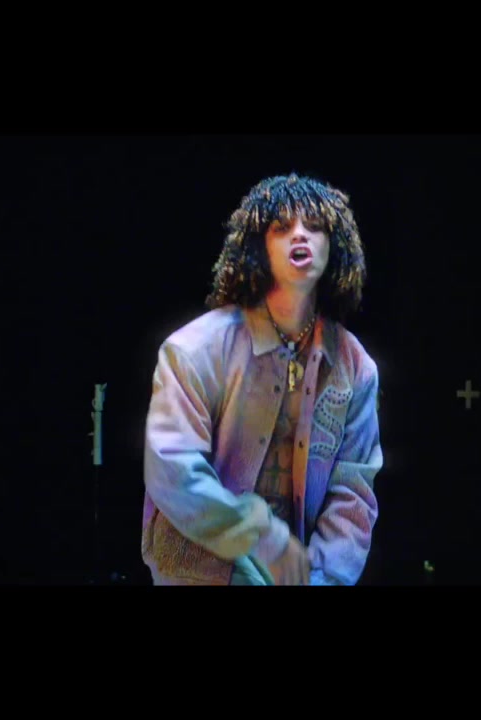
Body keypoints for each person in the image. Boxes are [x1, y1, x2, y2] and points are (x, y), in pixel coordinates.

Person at [141, 173, 382, 586]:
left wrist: (322, 578)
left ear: (334, 245)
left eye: (315, 226)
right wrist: (260, 537)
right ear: (258, 247)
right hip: (197, 570)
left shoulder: (355, 366)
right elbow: (174, 470)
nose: (300, 234)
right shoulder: (194, 349)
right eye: (281, 227)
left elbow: (352, 493)